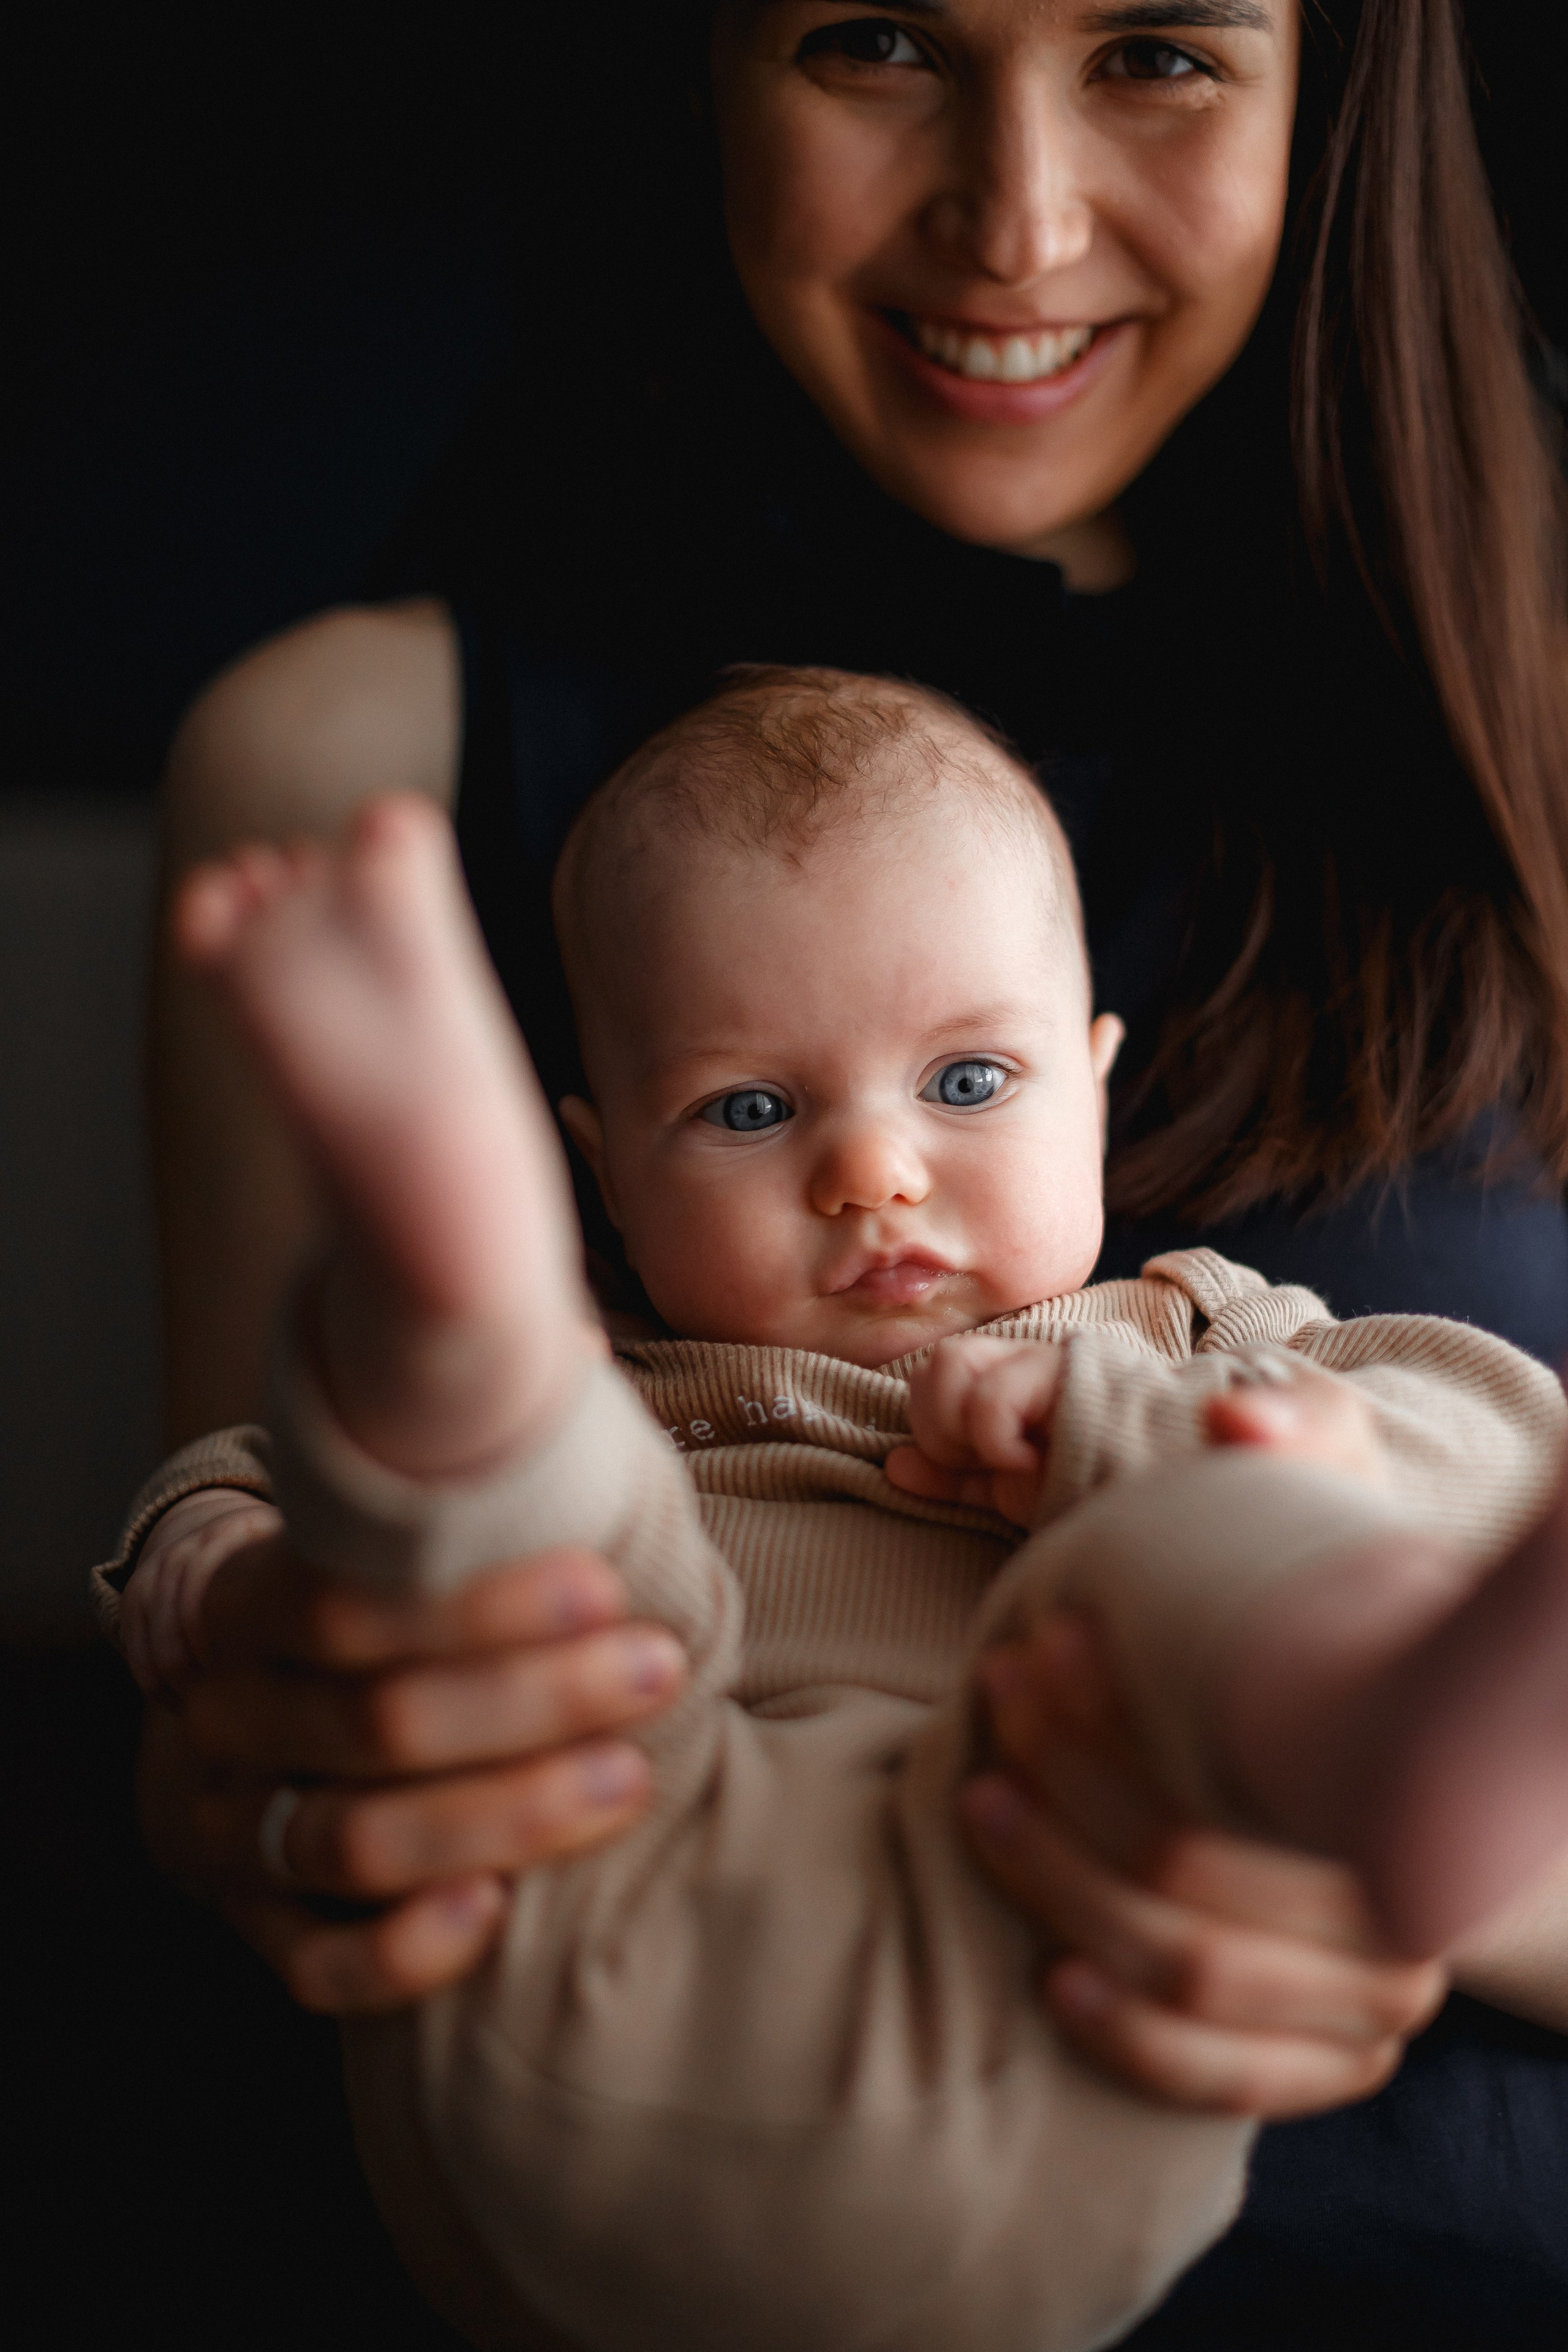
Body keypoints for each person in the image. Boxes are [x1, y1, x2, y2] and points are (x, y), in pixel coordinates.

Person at [129, 2, 1568, 2337]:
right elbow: (254, 1698)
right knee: (525, 1489)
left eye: (1163, 52)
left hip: (1413, 2172)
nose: (1016, 217)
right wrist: (267, 1731)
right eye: (878, 36)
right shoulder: (351, 776)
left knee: (1268, 1473)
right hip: (687, 1972)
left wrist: (1433, 1871)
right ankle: (480, 1328)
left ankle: (1387, 1713)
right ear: (699, 56)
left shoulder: (1532, 728)